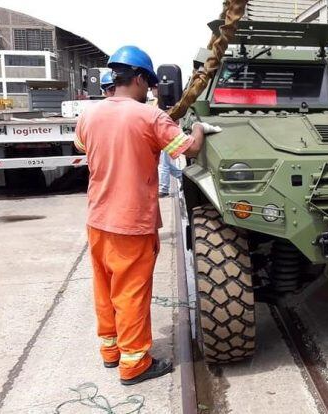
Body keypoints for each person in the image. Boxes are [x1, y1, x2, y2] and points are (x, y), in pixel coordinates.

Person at [74, 45, 221, 385]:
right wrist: (200, 129)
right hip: (131, 221)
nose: (151, 91)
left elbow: (83, 145)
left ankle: (111, 351)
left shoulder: (89, 115)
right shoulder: (150, 117)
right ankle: (135, 362)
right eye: (149, 84)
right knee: (130, 292)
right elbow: (189, 149)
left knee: (105, 286)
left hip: (98, 218)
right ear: (139, 79)